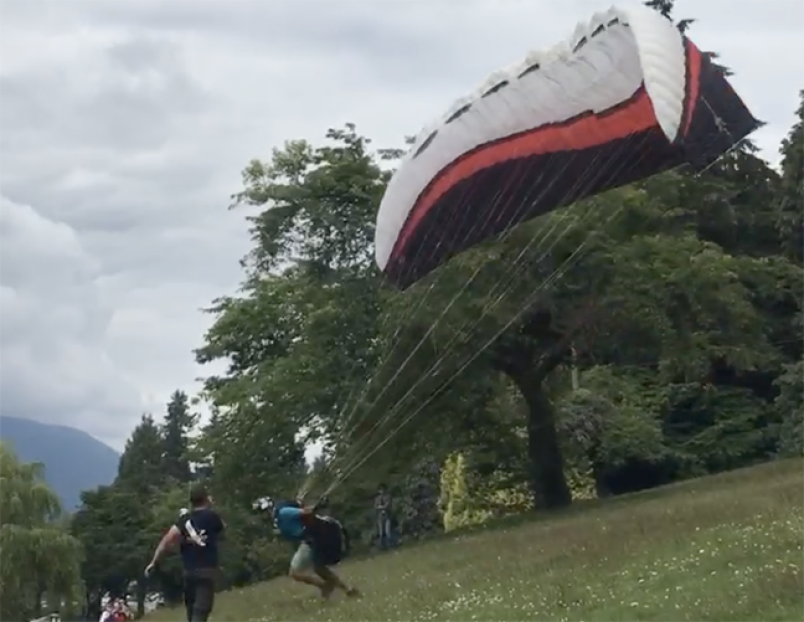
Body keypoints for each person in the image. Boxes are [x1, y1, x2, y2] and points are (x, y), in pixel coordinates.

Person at [253, 495, 359, 600]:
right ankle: (343, 589)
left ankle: (331, 587)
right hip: (311, 539)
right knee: (316, 569)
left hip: (319, 535)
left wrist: (318, 506)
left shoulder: (283, 512)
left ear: (267, 510)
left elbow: (306, 512)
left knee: (306, 570)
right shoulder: (277, 520)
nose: (260, 516)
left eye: (260, 513)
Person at [145, 485, 225, 622]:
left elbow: (166, 541)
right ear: (206, 499)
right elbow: (222, 528)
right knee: (201, 611)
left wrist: (154, 562)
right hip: (207, 571)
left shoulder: (184, 521)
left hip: (189, 572)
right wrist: (210, 507)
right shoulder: (212, 517)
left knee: (191, 611)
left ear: (191, 502)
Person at [375, 484, 393, 549]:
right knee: (381, 533)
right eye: (380, 490)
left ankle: (390, 546)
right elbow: (376, 507)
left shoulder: (388, 496)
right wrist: (382, 507)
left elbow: (387, 505)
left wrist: (381, 507)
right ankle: (382, 547)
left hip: (387, 516)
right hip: (380, 517)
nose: (381, 491)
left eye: (382, 489)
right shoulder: (377, 499)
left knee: (388, 532)